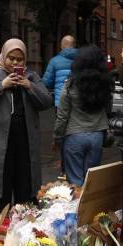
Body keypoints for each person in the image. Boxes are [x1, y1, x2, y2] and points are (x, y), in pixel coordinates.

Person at [0, 39, 53, 214]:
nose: (15, 63)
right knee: (0, 187)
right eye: (11, 58)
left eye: (20, 59)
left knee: (26, 186)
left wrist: (29, 86)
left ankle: (24, 228)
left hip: (24, 142)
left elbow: (46, 101)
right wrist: (2, 85)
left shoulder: (31, 76)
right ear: (3, 56)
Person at [52, 45, 114, 186]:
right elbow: (108, 110)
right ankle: (91, 208)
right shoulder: (104, 85)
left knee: (75, 182)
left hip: (74, 136)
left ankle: (76, 208)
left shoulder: (70, 85)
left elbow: (62, 116)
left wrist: (56, 138)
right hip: (97, 136)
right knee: (91, 182)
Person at [42, 35, 77, 177]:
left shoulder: (55, 61)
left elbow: (46, 82)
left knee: (63, 133)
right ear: (74, 45)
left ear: (61, 46)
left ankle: (64, 168)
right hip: (79, 103)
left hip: (60, 104)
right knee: (77, 131)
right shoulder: (82, 60)